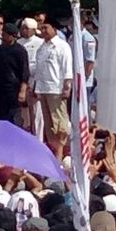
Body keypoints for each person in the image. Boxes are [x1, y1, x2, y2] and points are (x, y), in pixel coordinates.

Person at [33, 18, 72, 159]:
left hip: (56, 89)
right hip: (43, 88)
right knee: (48, 124)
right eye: (41, 29)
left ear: (54, 29)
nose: (43, 31)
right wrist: (36, 88)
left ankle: (62, 152)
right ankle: (53, 150)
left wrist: (67, 86)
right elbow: (39, 69)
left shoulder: (62, 46)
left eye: (46, 28)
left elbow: (67, 68)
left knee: (59, 123)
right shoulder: (42, 47)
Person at [0, 24, 29, 124]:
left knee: (14, 115)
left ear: (13, 35)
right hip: (0, 86)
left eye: (6, 34)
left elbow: (24, 71)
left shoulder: (20, 50)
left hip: (14, 87)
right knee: (2, 114)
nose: (4, 36)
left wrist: (22, 91)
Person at [18, 18, 44, 138]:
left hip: (34, 80)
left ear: (34, 30)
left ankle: (38, 138)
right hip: (21, 80)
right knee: (23, 113)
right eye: (23, 27)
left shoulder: (40, 42)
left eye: (27, 28)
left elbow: (40, 64)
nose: (24, 30)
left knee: (36, 113)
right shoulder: (18, 43)